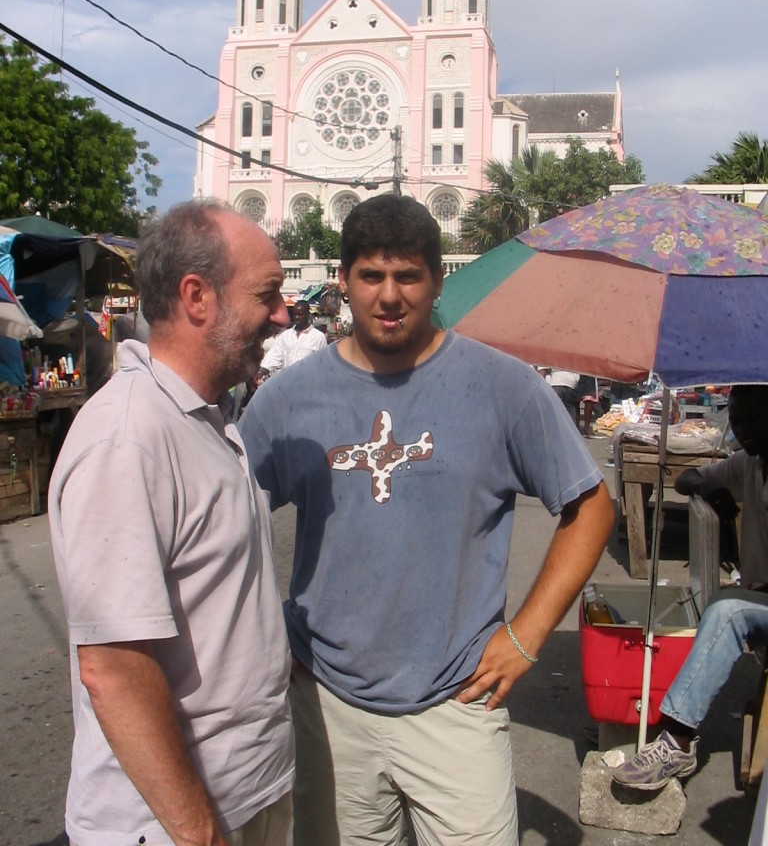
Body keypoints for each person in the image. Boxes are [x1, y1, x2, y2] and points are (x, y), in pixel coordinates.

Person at [239, 194, 615, 846]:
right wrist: (268, 634)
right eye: (372, 276)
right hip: (327, 707)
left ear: (437, 280)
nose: (389, 296)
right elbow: (224, 523)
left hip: (457, 706)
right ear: (344, 281)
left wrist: (525, 639)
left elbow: (590, 506)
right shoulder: (289, 400)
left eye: (408, 276)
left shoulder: (502, 387)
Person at [48, 200, 295, 846]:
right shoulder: (127, 436)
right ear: (197, 297)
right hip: (172, 823)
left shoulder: (205, 418)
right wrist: (197, 831)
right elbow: (115, 669)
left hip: (244, 796)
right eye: (267, 295)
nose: (283, 314)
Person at [612, 384, 768, 792]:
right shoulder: (749, 464)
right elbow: (687, 479)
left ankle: (677, 741)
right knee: (727, 603)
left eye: (753, 418)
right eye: (736, 417)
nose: (742, 428)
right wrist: (710, 490)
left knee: (727, 611)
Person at [258, 298, 327, 379]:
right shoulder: (285, 336)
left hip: (308, 384)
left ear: (308, 314)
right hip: (287, 383)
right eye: (295, 314)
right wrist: (260, 372)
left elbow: (323, 364)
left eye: (300, 314)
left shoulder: (318, 337)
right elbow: (273, 357)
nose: (297, 317)